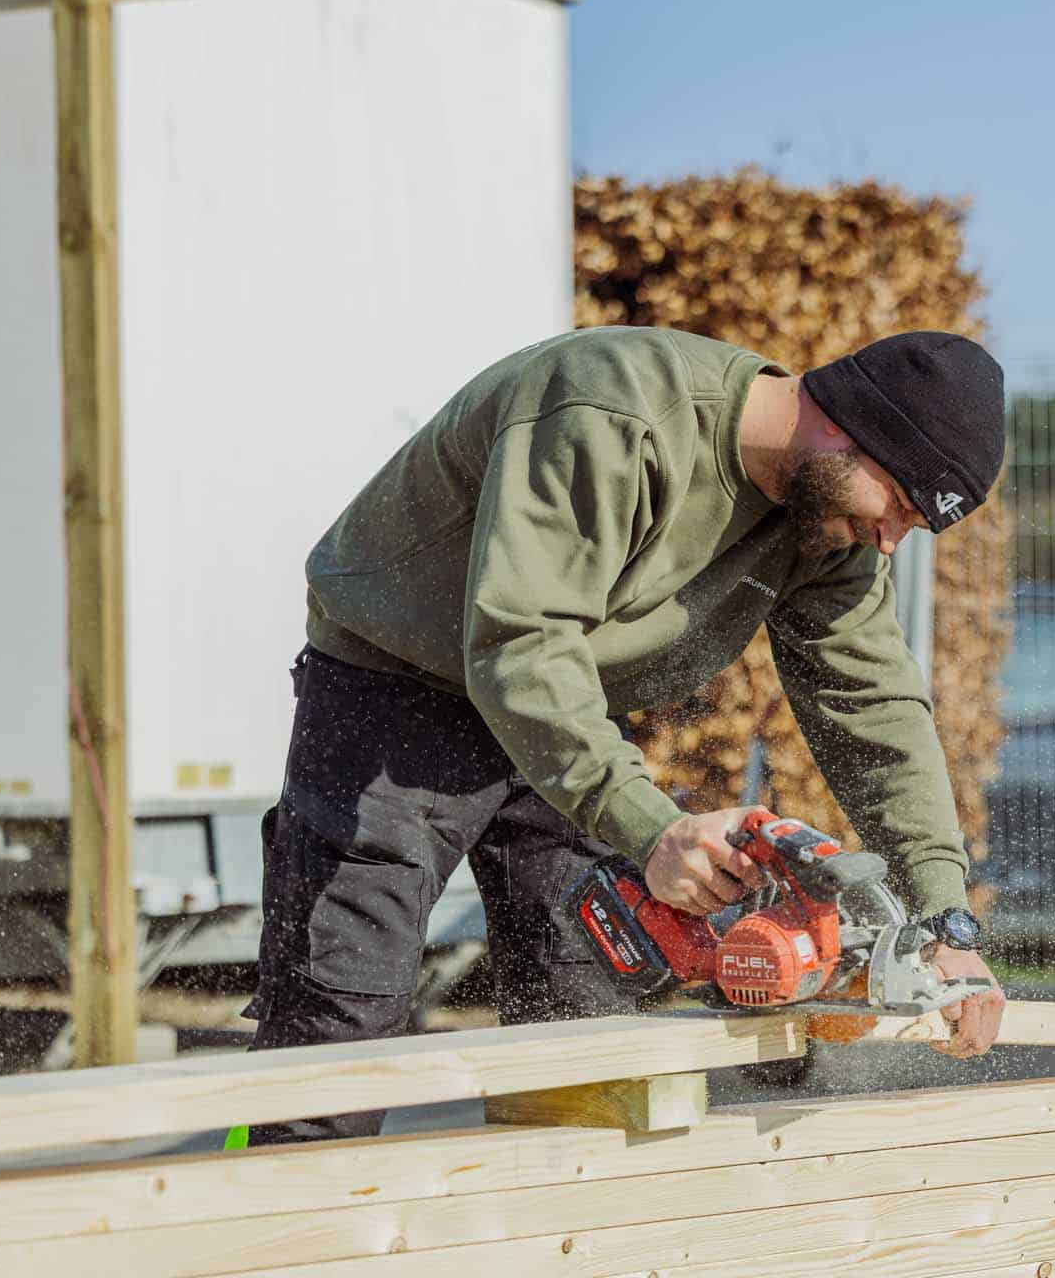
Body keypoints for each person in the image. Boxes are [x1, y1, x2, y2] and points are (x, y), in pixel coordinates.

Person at [243, 326, 1009, 1144]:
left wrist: (944, 920)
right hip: (395, 694)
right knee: (340, 1022)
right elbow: (520, 643)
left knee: (585, 1022)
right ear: (847, 428)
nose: (891, 538)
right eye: (896, 503)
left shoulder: (825, 522)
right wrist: (651, 829)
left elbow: (873, 707)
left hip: (569, 711)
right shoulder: (613, 409)